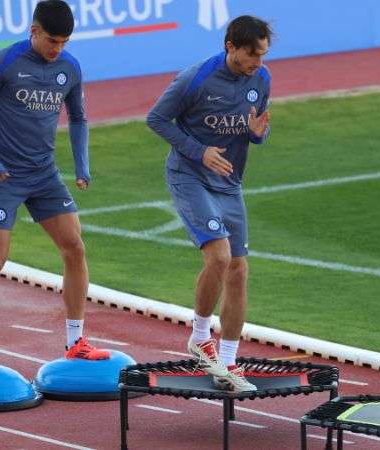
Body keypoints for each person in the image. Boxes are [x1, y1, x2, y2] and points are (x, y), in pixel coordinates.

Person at [0, 0, 109, 367]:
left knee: (75, 249)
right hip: (3, 177)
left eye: (64, 42)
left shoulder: (69, 67)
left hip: (44, 175)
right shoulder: (6, 62)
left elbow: (79, 117)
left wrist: (81, 164)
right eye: (52, 41)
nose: (58, 49)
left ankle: (75, 341)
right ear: (33, 32)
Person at [146, 15, 272, 391]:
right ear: (230, 46)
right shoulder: (195, 78)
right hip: (190, 175)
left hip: (229, 183)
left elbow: (256, 128)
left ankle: (230, 363)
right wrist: (200, 151)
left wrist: (257, 134)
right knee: (219, 256)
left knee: (239, 269)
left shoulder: (261, 79)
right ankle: (200, 335)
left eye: (263, 54)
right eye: (252, 54)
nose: (258, 62)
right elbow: (156, 119)